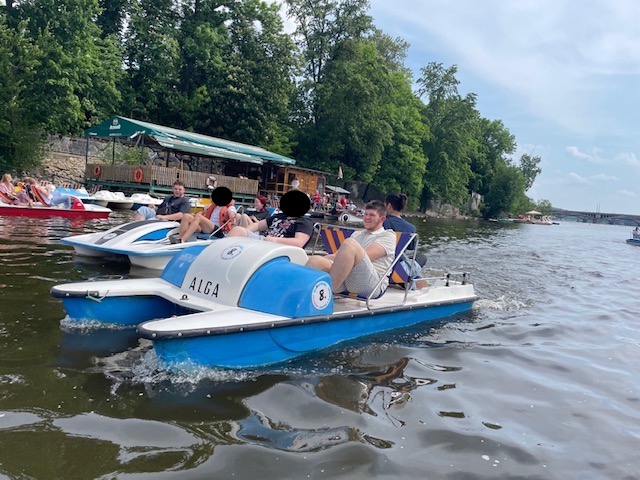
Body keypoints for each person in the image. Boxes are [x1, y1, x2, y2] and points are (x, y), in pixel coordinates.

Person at [306, 200, 396, 297]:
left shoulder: (388, 235)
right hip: (347, 279)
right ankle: (304, 295)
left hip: (372, 284)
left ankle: (327, 294)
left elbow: (366, 256)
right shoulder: (357, 234)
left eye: (372, 215)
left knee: (350, 244)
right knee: (315, 261)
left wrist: (338, 262)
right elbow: (337, 256)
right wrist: (317, 259)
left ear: (382, 219)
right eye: (365, 214)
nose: (367, 218)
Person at [227, 189, 314, 248]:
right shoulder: (279, 216)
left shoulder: (304, 222)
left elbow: (299, 242)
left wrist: (276, 240)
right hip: (264, 241)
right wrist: (246, 232)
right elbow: (258, 225)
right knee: (238, 230)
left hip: (280, 247)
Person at [383, 193, 427, 287]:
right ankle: (409, 278)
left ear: (389, 206)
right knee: (421, 257)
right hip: (398, 267)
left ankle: (410, 278)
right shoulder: (411, 228)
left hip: (384, 262)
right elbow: (410, 248)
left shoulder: (381, 222)